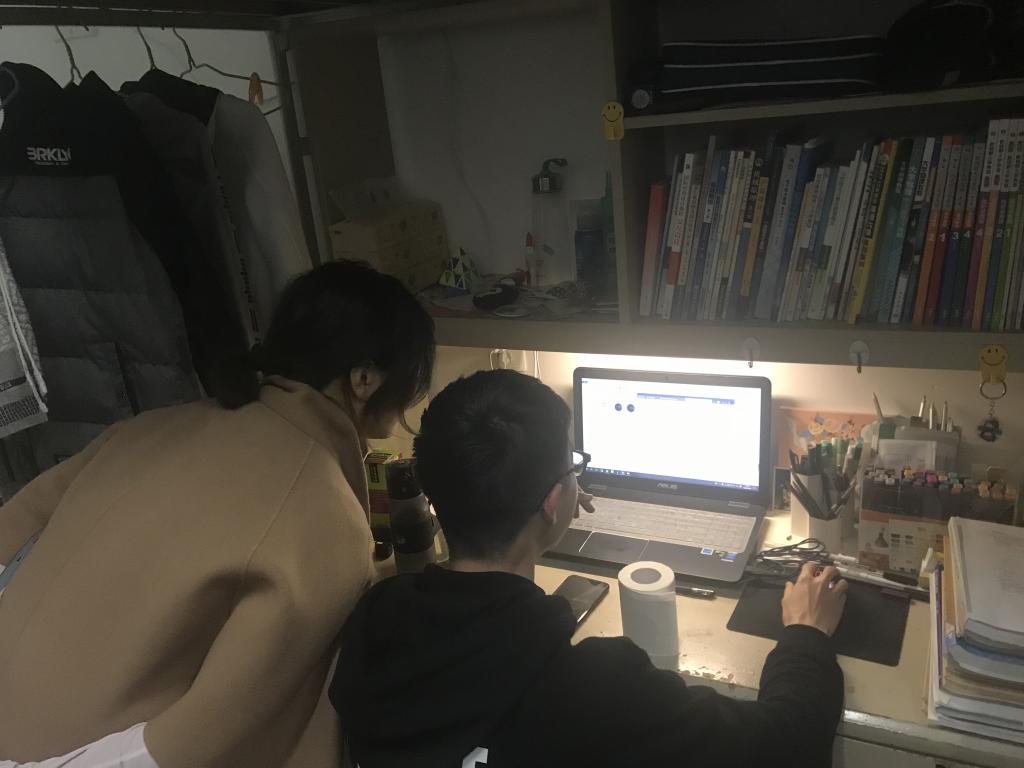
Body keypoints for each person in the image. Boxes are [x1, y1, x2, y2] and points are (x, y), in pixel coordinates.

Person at [0, 261, 435, 768]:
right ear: (363, 378)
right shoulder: (327, 519)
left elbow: (13, 530)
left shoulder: (150, 427)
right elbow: (202, 738)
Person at [330, 369, 848, 768]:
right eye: (573, 466)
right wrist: (805, 635)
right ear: (553, 501)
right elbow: (788, 744)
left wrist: (553, 499)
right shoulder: (596, 690)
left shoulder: (376, 620)